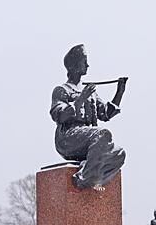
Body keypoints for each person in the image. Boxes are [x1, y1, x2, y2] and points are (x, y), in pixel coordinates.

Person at [50, 44, 127, 191]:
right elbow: (58, 115)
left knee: (119, 154)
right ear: (74, 65)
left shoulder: (90, 92)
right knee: (102, 134)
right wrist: (80, 100)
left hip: (89, 140)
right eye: (84, 61)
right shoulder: (62, 90)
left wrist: (120, 92)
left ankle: (90, 173)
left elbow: (105, 114)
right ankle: (83, 179)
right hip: (68, 138)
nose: (87, 65)